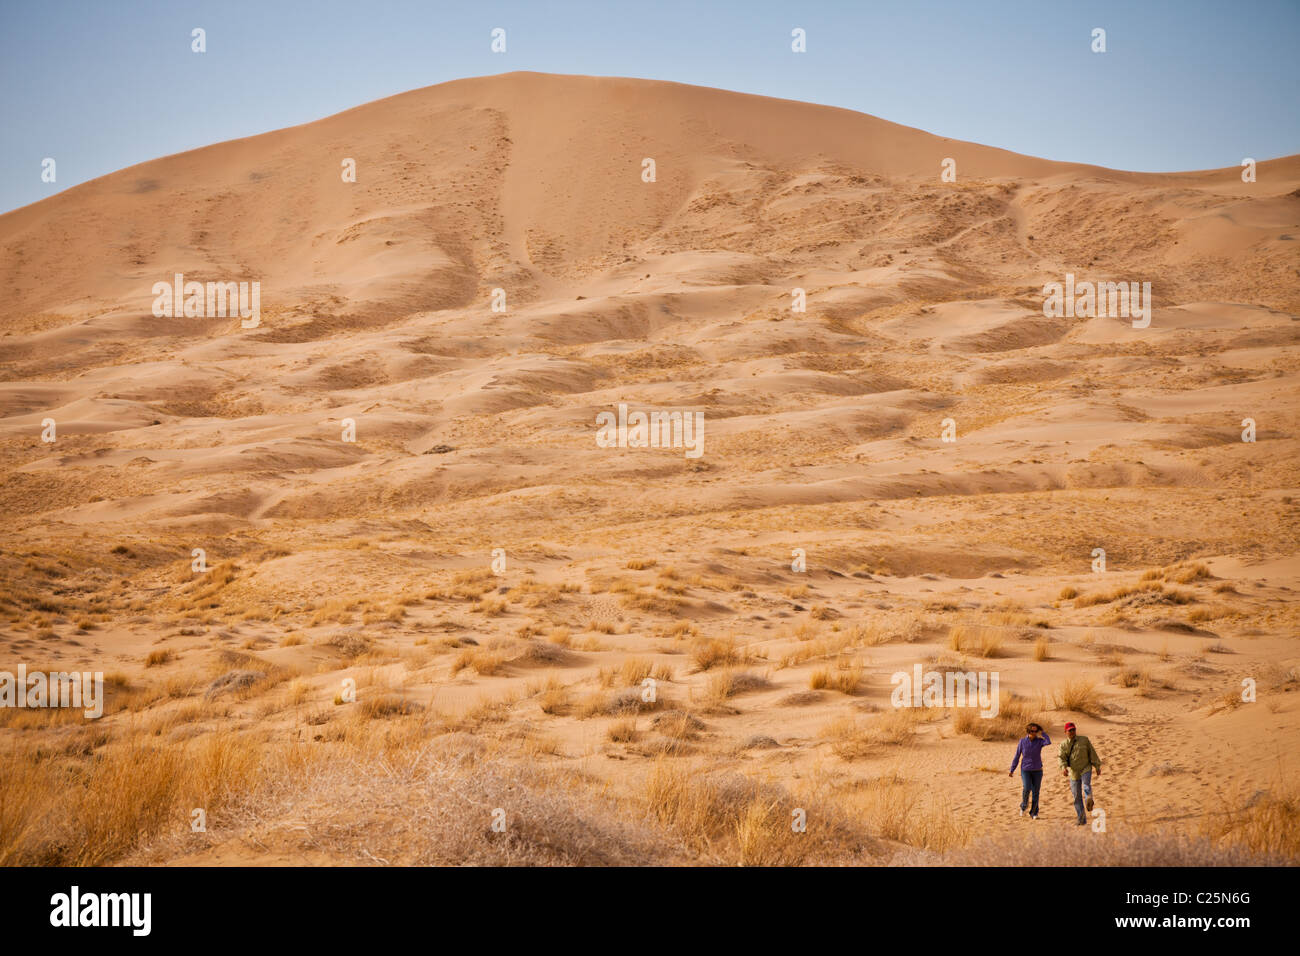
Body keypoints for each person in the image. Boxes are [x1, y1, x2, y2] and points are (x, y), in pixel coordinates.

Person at [1058, 721, 1102, 825]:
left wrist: (1097, 766)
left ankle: (1088, 800)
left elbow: (1092, 753)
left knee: (1086, 785)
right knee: (1076, 797)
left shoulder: (1084, 740)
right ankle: (1081, 819)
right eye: (1070, 730)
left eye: (1074, 729)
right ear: (1065, 732)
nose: (1072, 732)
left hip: (1085, 768)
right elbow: (1061, 758)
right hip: (1073, 772)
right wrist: (1063, 768)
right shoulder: (1063, 745)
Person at [1008, 723, 1051, 819]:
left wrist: (1043, 733)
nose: (1034, 733)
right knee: (1027, 788)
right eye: (1032, 731)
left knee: (1036, 792)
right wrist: (1012, 769)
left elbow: (1048, 742)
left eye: (1036, 731)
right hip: (1026, 769)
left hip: (1038, 770)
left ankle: (1034, 813)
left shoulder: (1039, 741)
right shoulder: (1022, 741)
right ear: (1028, 731)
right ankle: (1023, 806)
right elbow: (1017, 756)